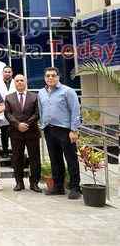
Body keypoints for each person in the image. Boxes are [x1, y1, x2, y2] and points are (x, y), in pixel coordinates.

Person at [38, 67, 82, 199]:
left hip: (65, 130)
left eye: (53, 75)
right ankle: (58, 187)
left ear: (58, 77)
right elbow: (41, 110)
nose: (50, 78)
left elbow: (75, 110)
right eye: (48, 76)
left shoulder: (67, 91)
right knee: (55, 159)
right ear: (44, 78)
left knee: (71, 159)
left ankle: (75, 188)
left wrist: (74, 130)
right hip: (49, 129)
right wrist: (42, 125)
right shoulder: (41, 93)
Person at [4, 75, 41, 193]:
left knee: (34, 158)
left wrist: (26, 124)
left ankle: (34, 183)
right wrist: (18, 124)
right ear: (14, 83)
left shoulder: (35, 96)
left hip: (32, 132)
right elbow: (7, 114)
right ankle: (19, 183)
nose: (19, 82)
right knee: (17, 158)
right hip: (16, 133)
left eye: (22, 80)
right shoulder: (9, 97)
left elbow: (37, 113)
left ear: (25, 82)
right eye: (17, 81)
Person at [0, 66, 16, 157]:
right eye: (5, 72)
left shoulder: (15, 82)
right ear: (2, 73)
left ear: (12, 73)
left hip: (14, 111)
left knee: (14, 133)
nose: (7, 73)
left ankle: (15, 150)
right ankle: (5, 151)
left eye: (9, 72)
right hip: (2, 111)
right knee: (4, 133)